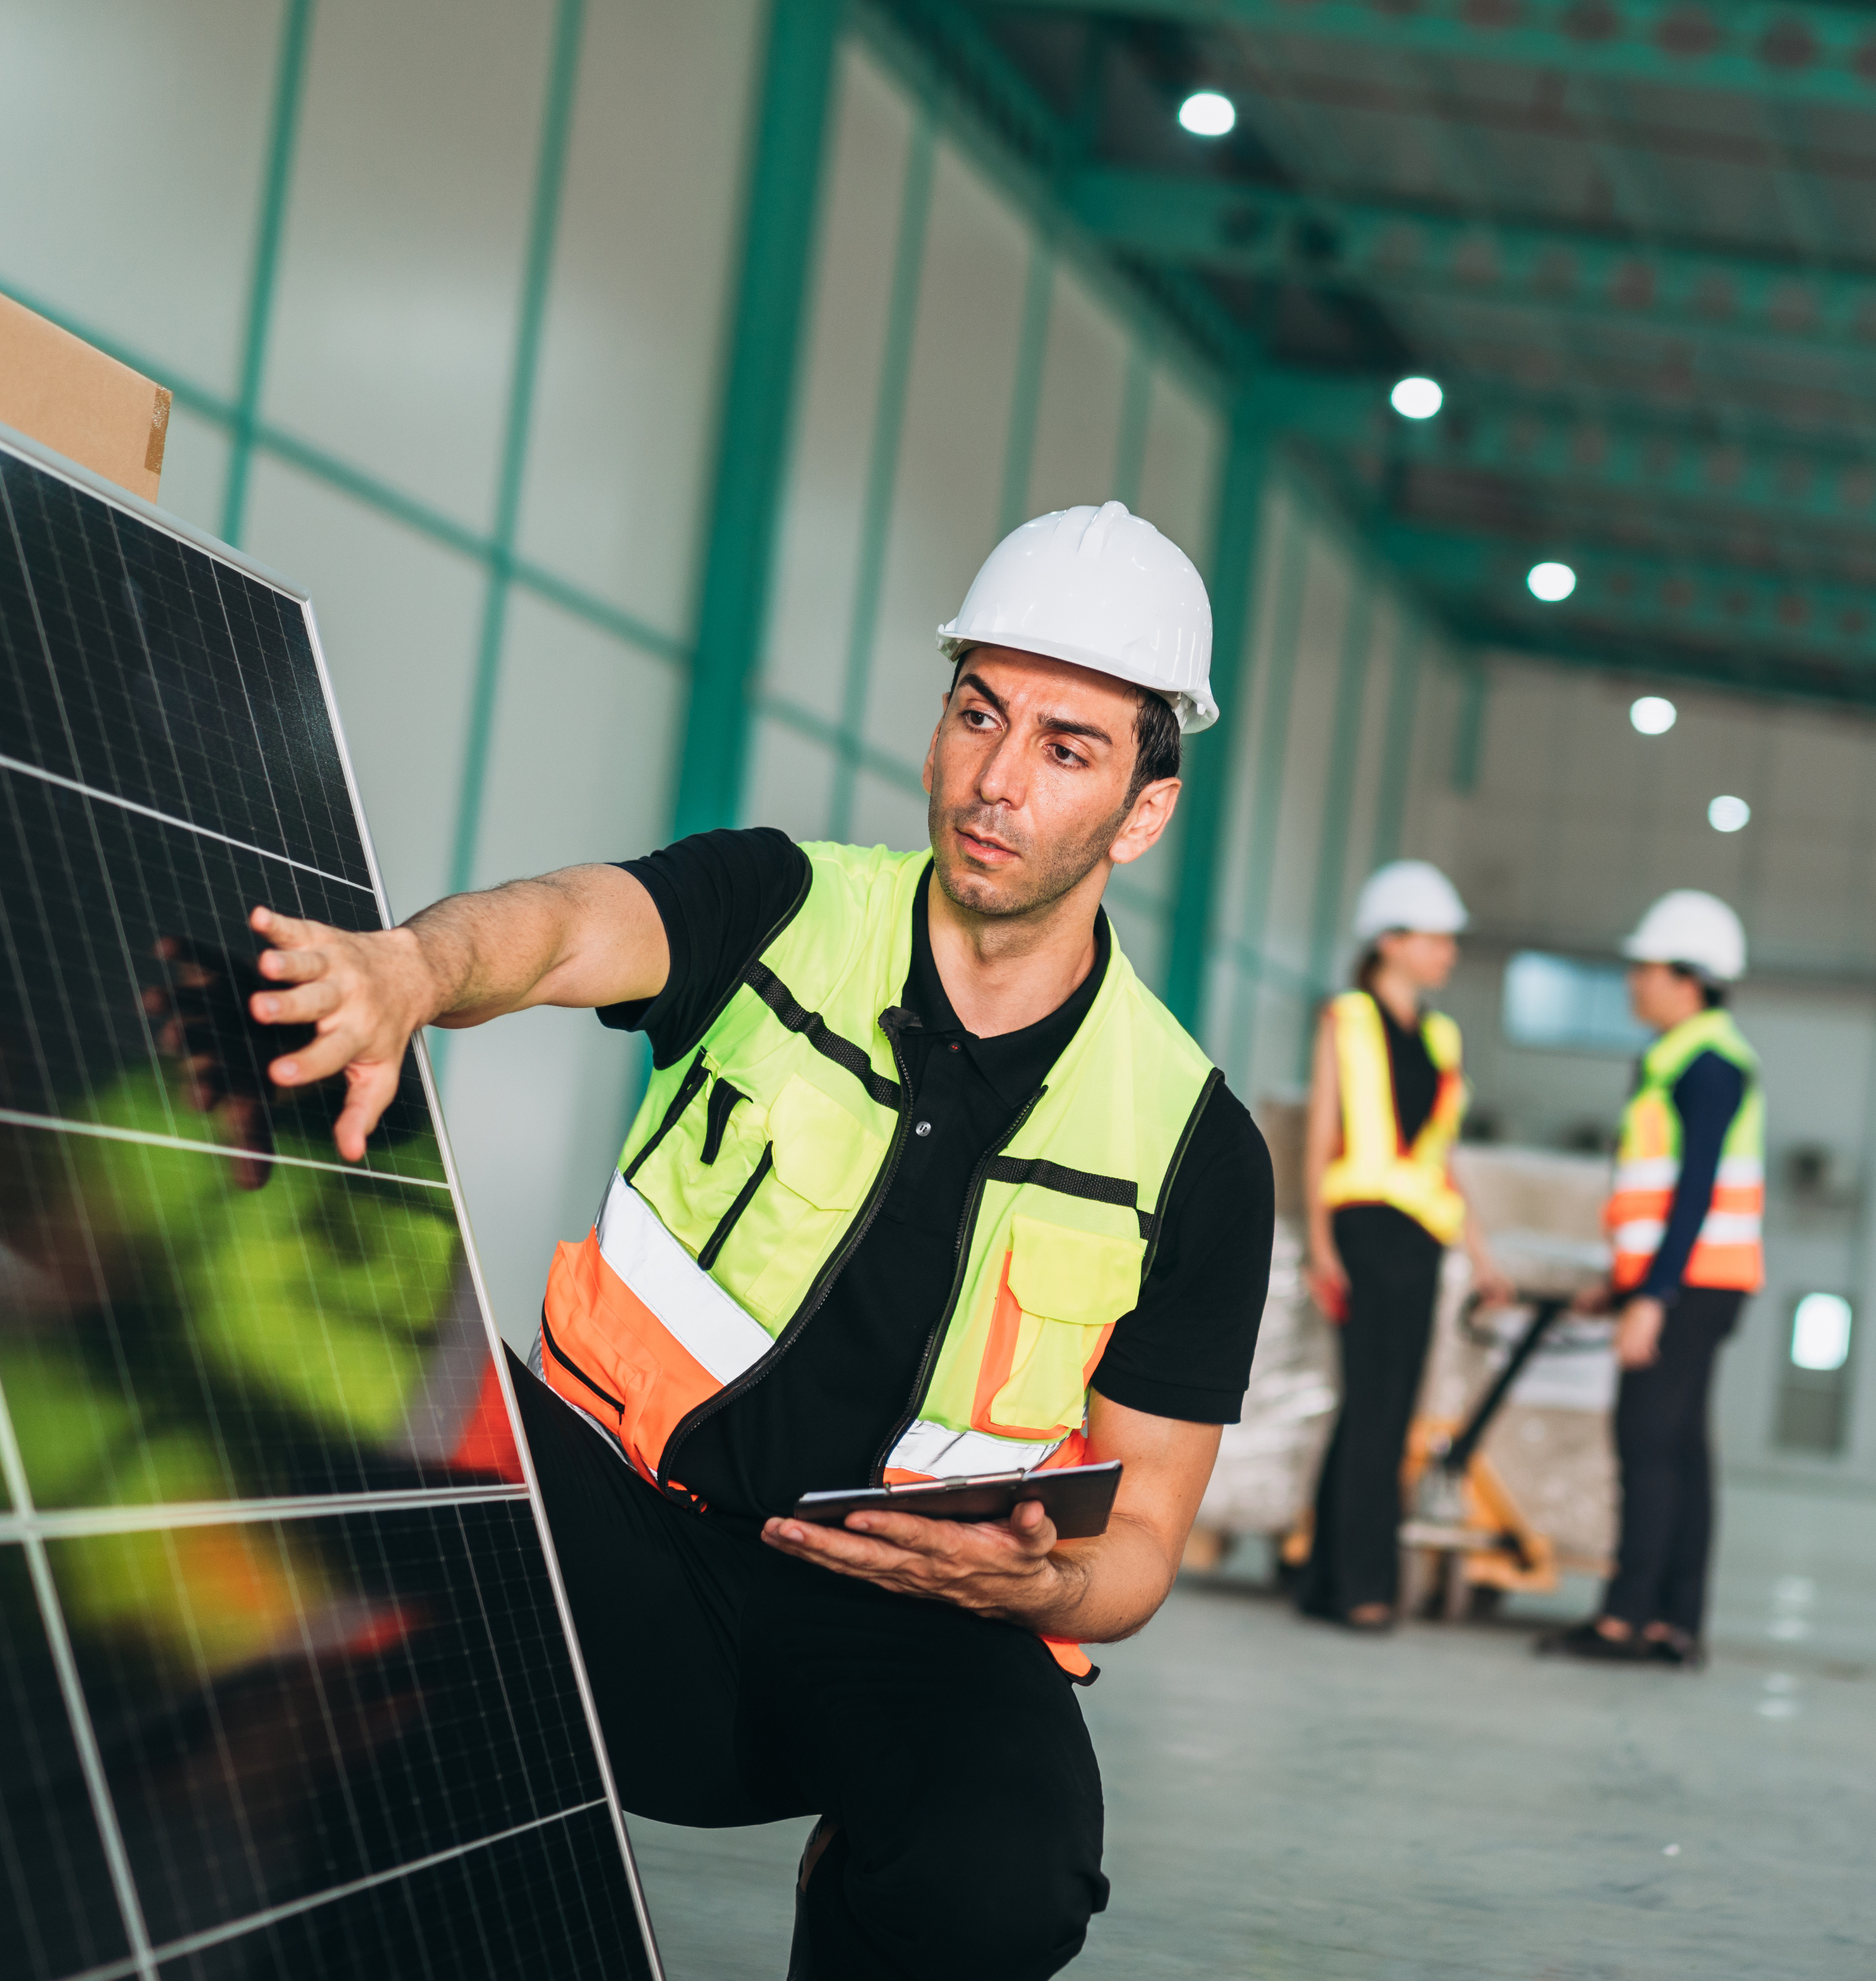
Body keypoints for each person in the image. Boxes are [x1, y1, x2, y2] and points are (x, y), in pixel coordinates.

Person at [227, 502, 1271, 1979]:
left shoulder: (1192, 1146)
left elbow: (1146, 1538)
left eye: (1064, 747)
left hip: (898, 1618)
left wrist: (1038, 1588)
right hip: (603, 1527)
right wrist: (414, 967)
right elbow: (569, 924)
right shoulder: (782, 908)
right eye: (977, 713)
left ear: (1141, 810)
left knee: (1004, 1877)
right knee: (316, 1383)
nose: (992, 778)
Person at [1540, 890, 1763, 1668]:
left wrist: (1655, 1298)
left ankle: (1625, 1618)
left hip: (1690, 1285)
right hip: (1695, 1280)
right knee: (1680, 1448)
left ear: (1689, 977)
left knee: (1646, 1443)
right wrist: (1622, 1281)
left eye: (1646, 968)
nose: (1634, 982)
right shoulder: (1683, 1058)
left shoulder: (1706, 1065)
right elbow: (1662, 1193)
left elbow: (1695, 1191)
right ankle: (1674, 1619)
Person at [1292, 860, 1511, 1631]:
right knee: (1374, 1408)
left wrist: (1480, 1255)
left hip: (1421, 1236)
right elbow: (1321, 1133)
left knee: (1381, 1410)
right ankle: (1360, 1586)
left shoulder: (1443, 1036)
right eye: (1436, 938)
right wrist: (1320, 1243)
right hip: (1361, 1227)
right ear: (1389, 941)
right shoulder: (1345, 1017)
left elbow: (1442, 1157)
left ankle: (1326, 1581)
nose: (1448, 952)